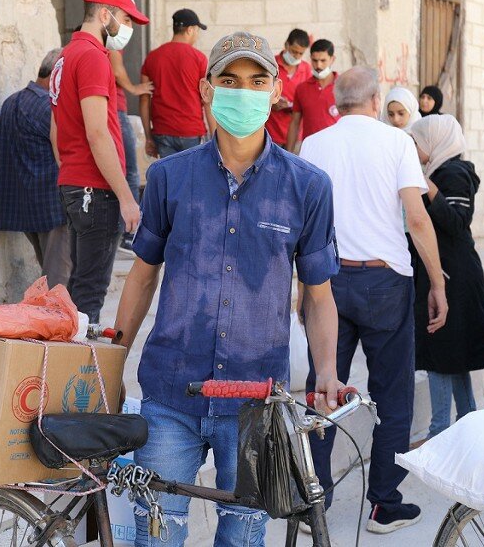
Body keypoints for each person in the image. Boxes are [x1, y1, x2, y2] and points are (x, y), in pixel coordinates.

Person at [114, 31, 343, 547]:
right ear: (206, 89)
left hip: (256, 403)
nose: (244, 91)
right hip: (171, 393)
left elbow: (319, 295)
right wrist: (112, 365)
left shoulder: (308, 186)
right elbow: (143, 275)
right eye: (230, 80)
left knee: (243, 538)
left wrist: (326, 371)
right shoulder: (170, 178)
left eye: (257, 80)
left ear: (277, 89)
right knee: (158, 537)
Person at [299, 66, 448, 535]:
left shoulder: (313, 144)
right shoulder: (396, 142)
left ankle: (314, 498)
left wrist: (297, 285)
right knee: (393, 394)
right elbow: (417, 217)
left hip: (326, 284)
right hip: (385, 282)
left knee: (324, 388)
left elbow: (302, 221)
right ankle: (385, 502)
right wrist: (438, 282)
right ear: (375, 99)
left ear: (335, 102)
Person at [49, 0, 147, 324]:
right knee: (89, 293)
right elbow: (97, 133)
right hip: (96, 190)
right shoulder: (93, 57)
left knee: (79, 288)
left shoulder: (65, 56)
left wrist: (71, 173)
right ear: (105, 14)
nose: (129, 28)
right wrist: (126, 196)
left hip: (77, 185)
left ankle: (72, 370)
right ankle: (83, 376)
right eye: (127, 19)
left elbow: (55, 131)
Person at [409, 115, 484, 438]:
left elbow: (457, 222)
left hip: (454, 278)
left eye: (417, 143)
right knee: (453, 357)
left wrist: (428, 187)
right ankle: (468, 428)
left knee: (440, 355)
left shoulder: (454, 174)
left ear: (435, 143)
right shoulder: (438, 172)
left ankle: (440, 436)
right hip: (445, 274)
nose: (413, 149)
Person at [0, 49, 72, 288]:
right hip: (52, 204)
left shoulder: (10, 102)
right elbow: (66, 152)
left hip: (23, 206)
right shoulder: (49, 107)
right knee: (58, 280)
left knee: (49, 274)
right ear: (56, 76)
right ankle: (57, 324)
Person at [139, 8, 210, 159]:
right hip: (191, 131)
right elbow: (208, 100)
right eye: (197, 30)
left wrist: (148, 137)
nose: (197, 35)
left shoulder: (152, 57)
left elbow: (144, 99)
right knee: (192, 179)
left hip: (162, 132)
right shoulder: (199, 58)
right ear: (190, 30)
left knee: (170, 180)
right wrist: (216, 136)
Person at [109, 49, 154, 252]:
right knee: (131, 174)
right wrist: (134, 89)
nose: (128, 26)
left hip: (109, 109)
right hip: (115, 110)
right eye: (126, 20)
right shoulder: (108, 41)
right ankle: (129, 233)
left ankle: (121, 231)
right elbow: (117, 71)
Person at [286, 39, 340, 153]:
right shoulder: (302, 89)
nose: (318, 65)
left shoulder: (343, 86)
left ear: (332, 59)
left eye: (323, 60)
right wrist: (288, 154)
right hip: (310, 152)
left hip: (337, 151)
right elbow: (295, 123)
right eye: (315, 60)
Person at [265, 28, 312, 149]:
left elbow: (307, 99)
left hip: (296, 135)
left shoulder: (306, 69)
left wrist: (293, 106)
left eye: (300, 53)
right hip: (271, 134)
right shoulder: (270, 65)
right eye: (293, 51)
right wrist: (270, 103)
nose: (296, 56)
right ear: (286, 45)